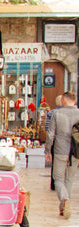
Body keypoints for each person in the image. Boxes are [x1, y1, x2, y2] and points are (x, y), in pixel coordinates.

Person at [47, 91, 79, 219]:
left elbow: (50, 134)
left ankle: (65, 199)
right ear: (74, 101)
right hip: (75, 152)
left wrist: (47, 150)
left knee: (58, 179)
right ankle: (64, 206)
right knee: (69, 179)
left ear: (63, 101)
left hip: (60, 150)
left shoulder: (57, 113)